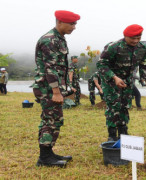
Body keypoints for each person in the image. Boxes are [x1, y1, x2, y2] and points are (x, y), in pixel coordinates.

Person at [31, 10, 80, 167]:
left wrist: (66, 87)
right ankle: (44, 158)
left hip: (52, 87)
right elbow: (50, 68)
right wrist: (56, 92)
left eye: (75, 24)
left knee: (54, 120)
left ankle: (49, 152)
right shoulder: (50, 40)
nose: (74, 27)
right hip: (48, 89)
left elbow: (60, 68)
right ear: (59, 22)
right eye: (71, 24)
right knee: (51, 121)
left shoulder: (59, 39)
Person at [97, 24, 146, 141]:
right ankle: (112, 135)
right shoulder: (113, 47)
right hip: (111, 81)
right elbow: (101, 64)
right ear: (125, 36)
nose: (136, 41)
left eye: (138, 38)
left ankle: (123, 133)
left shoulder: (142, 48)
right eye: (133, 38)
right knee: (114, 106)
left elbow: (144, 64)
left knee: (125, 106)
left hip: (128, 82)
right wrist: (114, 77)